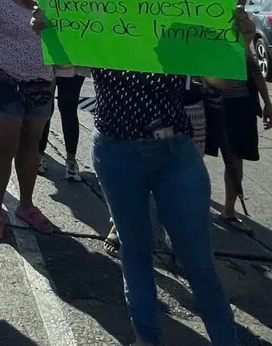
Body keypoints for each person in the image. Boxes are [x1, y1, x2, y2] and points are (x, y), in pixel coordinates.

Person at [90, 59, 239, 345]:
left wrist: (237, 42)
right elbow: (61, 57)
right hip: (115, 150)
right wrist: (48, 28)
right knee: (135, 250)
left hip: (175, 152)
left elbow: (218, 79)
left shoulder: (177, 16)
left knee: (198, 261)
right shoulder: (103, 18)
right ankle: (146, 340)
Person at [0, 0, 56, 241]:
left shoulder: (46, 8)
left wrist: (47, 25)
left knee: (30, 147)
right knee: (3, 147)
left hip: (41, 87)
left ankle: (26, 204)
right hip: (7, 85)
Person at [202, 14, 272, 232]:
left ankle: (229, 210)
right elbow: (212, 76)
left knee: (235, 159)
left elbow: (254, 71)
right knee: (195, 156)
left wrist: (267, 103)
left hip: (241, 105)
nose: (246, 20)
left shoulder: (243, 39)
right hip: (209, 102)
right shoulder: (209, 37)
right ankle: (196, 202)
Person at [53, 66, 91, 181]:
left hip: (74, 61)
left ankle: (71, 160)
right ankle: (39, 154)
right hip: (48, 60)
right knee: (46, 106)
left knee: (67, 107)